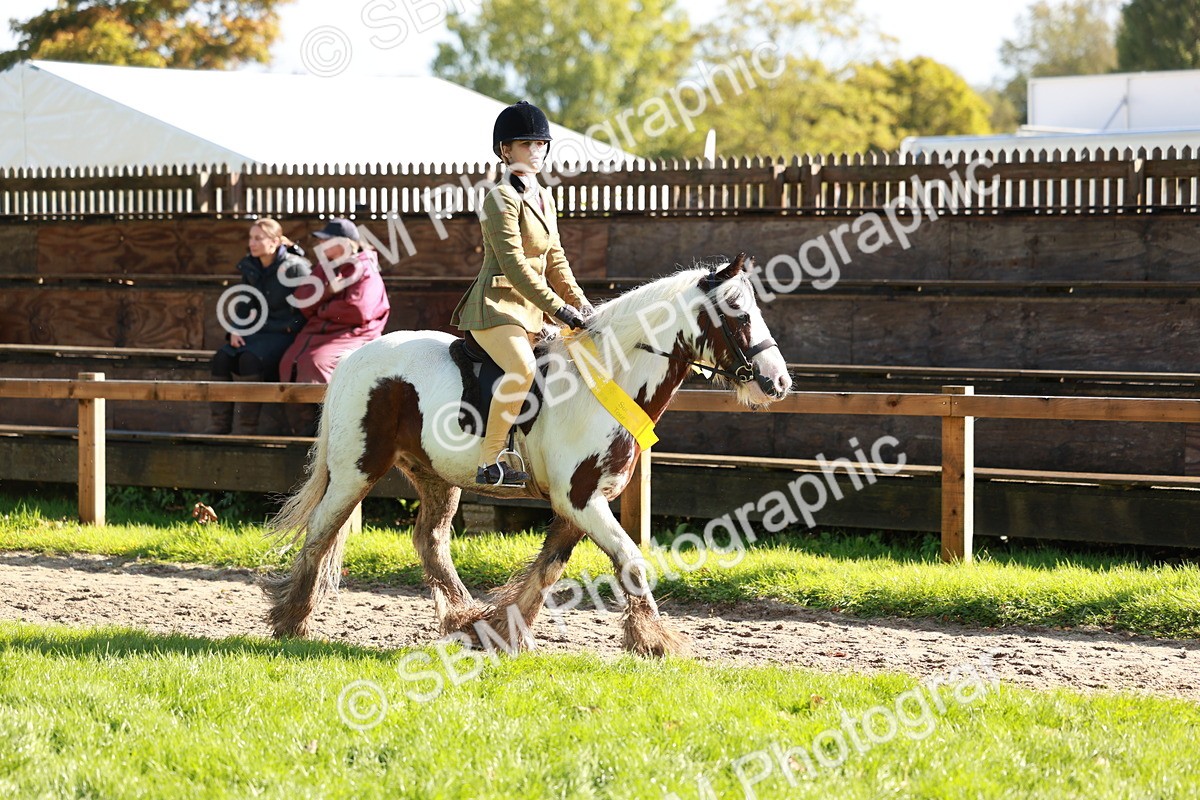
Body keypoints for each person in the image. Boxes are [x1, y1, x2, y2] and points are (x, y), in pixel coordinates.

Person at [451, 100, 593, 487]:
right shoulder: (498, 198)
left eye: (541, 144)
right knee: (522, 368)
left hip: (535, 309)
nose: (536, 151)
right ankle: (489, 462)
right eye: (526, 144)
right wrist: (561, 309)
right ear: (505, 150)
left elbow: (556, 260)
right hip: (496, 307)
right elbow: (514, 266)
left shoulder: (543, 197)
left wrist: (582, 306)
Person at [277, 218, 391, 435]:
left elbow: (358, 310)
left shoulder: (365, 267)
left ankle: (331, 431)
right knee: (289, 361)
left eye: (326, 241)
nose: (321, 245)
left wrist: (323, 307)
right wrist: (328, 294)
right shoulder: (324, 266)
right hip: (322, 331)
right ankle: (304, 432)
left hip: (354, 332)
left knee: (315, 363)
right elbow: (303, 299)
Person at [207, 218, 310, 434]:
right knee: (221, 358)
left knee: (249, 359)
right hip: (257, 332)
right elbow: (245, 303)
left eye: (258, 238)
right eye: (250, 238)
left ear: (274, 242)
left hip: (283, 334)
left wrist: (291, 326)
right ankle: (219, 428)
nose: (251, 243)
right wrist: (235, 328)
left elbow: (309, 308)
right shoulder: (251, 266)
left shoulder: (295, 268)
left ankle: (246, 429)